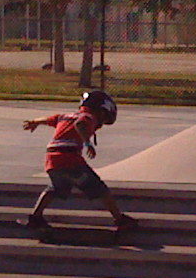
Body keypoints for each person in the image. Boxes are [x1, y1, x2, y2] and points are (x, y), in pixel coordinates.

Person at [18, 90, 138, 235]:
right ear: (101, 110)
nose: (102, 122)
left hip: (52, 160)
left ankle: (35, 217)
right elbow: (80, 124)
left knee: (55, 188)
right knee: (100, 189)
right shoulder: (89, 116)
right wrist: (87, 143)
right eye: (104, 116)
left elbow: (49, 119)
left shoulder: (65, 116)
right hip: (70, 160)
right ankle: (120, 219)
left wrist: (34, 122)